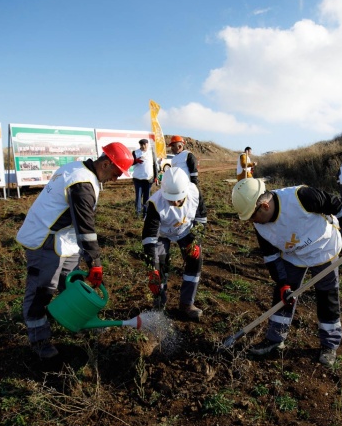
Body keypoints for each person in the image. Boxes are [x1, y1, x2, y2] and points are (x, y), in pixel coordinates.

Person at [231, 178, 342, 367]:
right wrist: (282, 283)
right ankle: (275, 338)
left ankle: (329, 345)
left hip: (323, 247)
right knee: (283, 296)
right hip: (293, 254)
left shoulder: (301, 197)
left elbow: (341, 205)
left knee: (326, 295)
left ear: (263, 205)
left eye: (252, 216)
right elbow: (271, 256)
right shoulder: (259, 223)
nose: (251, 222)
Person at [16, 142, 133, 359]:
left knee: (69, 283)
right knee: (42, 291)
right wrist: (95, 262)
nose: (116, 179)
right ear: (106, 163)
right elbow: (85, 227)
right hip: (45, 238)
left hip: (64, 239)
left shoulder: (79, 169)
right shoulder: (82, 183)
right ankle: (39, 339)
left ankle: (77, 318)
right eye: (116, 173)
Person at [142, 167, 204, 320]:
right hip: (162, 234)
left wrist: (196, 240)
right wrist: (153, 269)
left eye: (179, 198)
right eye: (171, 198)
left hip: (185, 230)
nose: (175, 202)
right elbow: (149, 239)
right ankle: (159, 302)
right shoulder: (155, 204)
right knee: (160, 264)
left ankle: (187, 304)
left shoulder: (195, 193)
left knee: (195, 261)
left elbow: (201, 219)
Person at [169, 135, 207, 225]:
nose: (171, 149)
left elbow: (193, 172)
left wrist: (193, 186)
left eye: (173, 146)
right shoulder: (174, 158)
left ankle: (200, 224)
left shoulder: (188, 155)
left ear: (179, 146)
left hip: (189, 185)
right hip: (179, 188)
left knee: (196, 203)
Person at [131, 138, 157, 217]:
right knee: (138, 197)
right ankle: (138, 213)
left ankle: (145, 214)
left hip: (148, 179)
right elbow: (131, 162)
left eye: (145, 144)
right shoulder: (135, 152)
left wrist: (156, 176)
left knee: (147, 197)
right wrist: (136, 161)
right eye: (142, 145)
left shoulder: (151, 153)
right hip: (138, 179)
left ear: (147, 144)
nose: (143, 146)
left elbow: (154, 165)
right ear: (140, 145)